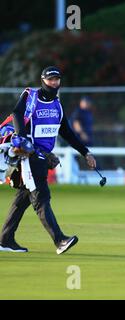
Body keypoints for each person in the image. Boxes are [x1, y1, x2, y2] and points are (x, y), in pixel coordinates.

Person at [0, 66, 97, 254]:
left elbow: (67, 132)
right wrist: (23, 140)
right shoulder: (31, 96)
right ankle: (60, 240)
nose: (54, 83)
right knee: (41, 197)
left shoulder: (57, 105)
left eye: (57, 79)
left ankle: (5, 240)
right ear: (42, 80)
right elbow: (17, 114)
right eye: (50, 79)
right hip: (30, 156)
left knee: (24, 198)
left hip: (43, 156)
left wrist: (85, 152)